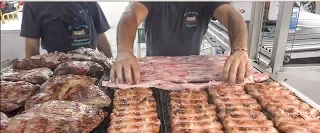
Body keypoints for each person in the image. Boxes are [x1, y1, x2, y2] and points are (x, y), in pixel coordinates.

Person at [111, 2, 251, 85]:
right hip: (153, 71)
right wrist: (124, 52)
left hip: (194, 73)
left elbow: (232, 15)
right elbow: (131, 14)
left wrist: (240, 49)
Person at [20, 2, 113, 58]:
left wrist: (110, 67)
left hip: (91, 66)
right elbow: (31, 49)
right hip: (57, 72)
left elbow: (102, 40)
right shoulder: (33, 4)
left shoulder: (90, 2)